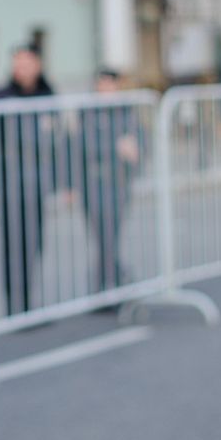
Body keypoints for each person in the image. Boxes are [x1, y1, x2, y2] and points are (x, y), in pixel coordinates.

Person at [0, 43, 56, 314]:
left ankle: (27, 302)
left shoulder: (47, 94)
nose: (21, 68)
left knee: (34, 243)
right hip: (9, 182)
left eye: (26, 63)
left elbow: (57, 140)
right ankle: (14, 305)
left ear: (37, 65)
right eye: (17, 63)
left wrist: (61, 182)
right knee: (13, 244)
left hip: (37, 182)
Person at [77, 70, 142, 293]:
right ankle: (111, 284)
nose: (106, 89)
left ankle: (107, 286)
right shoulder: (87, 112)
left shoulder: (126, 111)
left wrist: (134, 153)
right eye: (101, 84)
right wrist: (116, 146)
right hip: (93, 182)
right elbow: (82, 145)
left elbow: (138, 144)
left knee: (111, 236)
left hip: (119, 181)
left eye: (110, 84)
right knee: (103, 236)